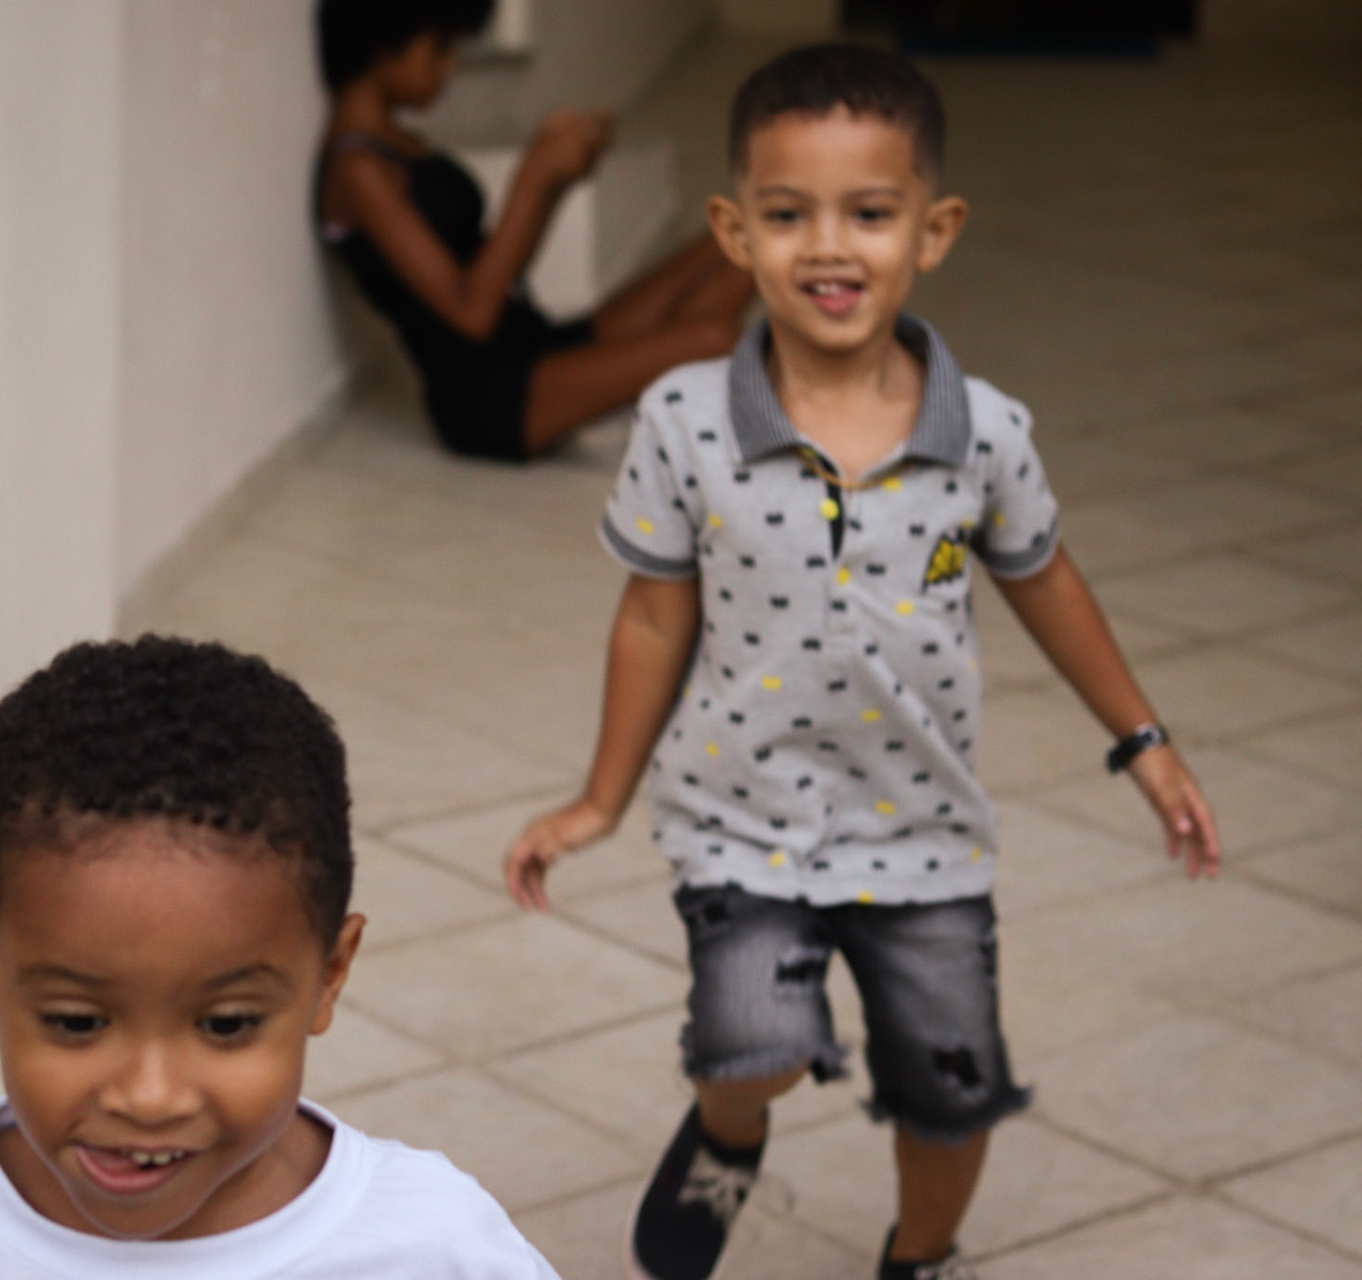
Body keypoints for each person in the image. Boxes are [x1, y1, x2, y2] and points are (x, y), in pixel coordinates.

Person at [502, 44, 1220, 1280]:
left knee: (951, 1088)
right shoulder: (684, 419)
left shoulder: (984, 432)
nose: (828, 247)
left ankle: (920, 1254)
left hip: (923, 829)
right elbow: (654, 618)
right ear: (734, 230)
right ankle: (730, 1136)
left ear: (933, 231)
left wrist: (1144, 743)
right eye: (788, 215)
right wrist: (598, 798)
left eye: (870, 214)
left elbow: (1047, 582)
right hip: (741, 815)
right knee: (753, 1046)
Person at [0, 636, 561, 1278]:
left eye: (227, 1024)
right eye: (76, 1022)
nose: (150, 1097)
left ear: (330, 975)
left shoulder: (430, 1246)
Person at [314, 0, 756, 462]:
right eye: (439, 47)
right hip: (491, 397)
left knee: (738, 244)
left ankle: (630, 398)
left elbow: (500, 275)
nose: (450, 66)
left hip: (533, 342)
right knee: (716, 339)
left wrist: (554, 185)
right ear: (381, 47)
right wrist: (532, 178)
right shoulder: (358, 170)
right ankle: (637, 398)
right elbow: (471, 315)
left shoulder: (395, 144)